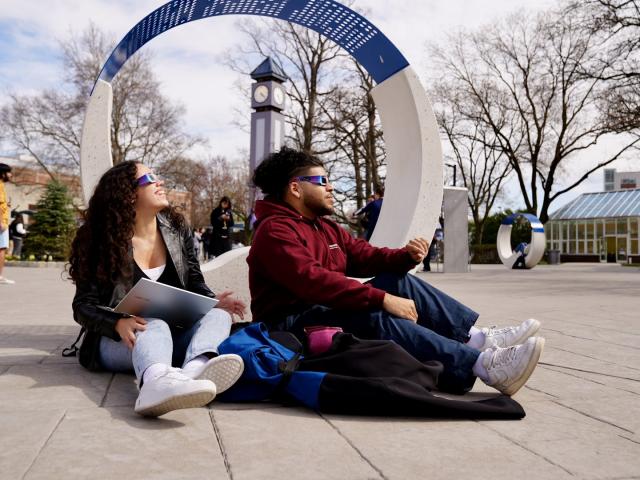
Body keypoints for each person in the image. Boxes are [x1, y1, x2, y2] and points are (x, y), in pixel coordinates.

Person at [247, 147, 544, 396]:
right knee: (371, 312)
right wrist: (381, 299)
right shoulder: (274, 231)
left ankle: (477, 338)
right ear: (295, 188)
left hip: (320, 311)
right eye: (322, 180)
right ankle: (483, 365)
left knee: (398, 281)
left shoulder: (325, 227)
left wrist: (404, 256)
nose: (331, 187)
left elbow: (363, 256)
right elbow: (312, 281)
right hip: (289, 327)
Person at [67, 161, 246, 417]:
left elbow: (194, 280)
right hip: (118, 338)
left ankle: (194, 372)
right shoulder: (97, 237)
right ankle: (153, 385)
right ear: (127, 193)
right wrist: (116, 322)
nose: (159, 182)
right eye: (149, 178)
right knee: (154, 325)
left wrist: (210, 301)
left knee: (219, 316)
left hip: (170, 334)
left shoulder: (177, 229)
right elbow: (82, 306)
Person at [0, 163, 15, 285]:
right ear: (2, 173)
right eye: (9, 172)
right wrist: (1, 223)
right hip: (1, 223)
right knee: (2, 249)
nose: (11, 175)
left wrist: (6, 205)